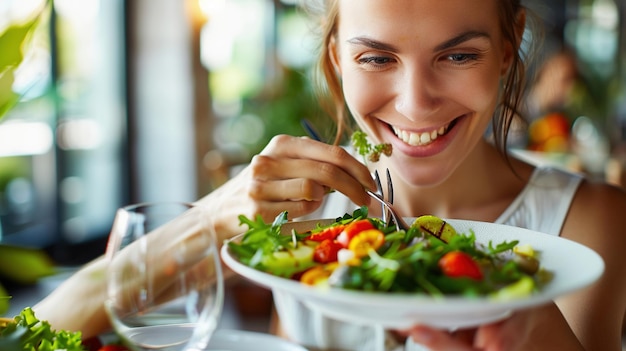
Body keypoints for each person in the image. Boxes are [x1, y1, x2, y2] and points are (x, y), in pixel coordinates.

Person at [33, 0, 626, 350]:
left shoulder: (590, 220)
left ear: (508, 46)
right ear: (338, 58)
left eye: (458, 54)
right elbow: (38, 331)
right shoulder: (298, 210)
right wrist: (216, 215)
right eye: (377, 58)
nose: (416, 104)